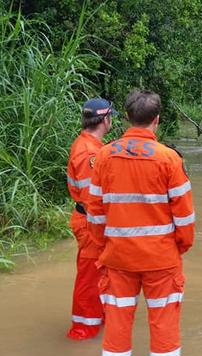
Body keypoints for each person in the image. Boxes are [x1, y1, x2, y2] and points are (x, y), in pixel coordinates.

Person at [87, 89, 195, 356]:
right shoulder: (169, 159)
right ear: (156, 119)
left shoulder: (104, 157)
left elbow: (95, 214)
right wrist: (176, 248)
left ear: (126, 118)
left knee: (117, 330)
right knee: (164, 331)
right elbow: (184, 219)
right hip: (161, 260)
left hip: (118, 258)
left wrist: (106, 248)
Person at [66, 97, 115, 340]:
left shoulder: (91, 147)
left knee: (97, 275)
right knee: (89, 277)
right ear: (105, 119)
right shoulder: (89, 153)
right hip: (90, 223)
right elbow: (91, 198)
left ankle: (94, 322)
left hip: (90, 220)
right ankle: (82, 331)